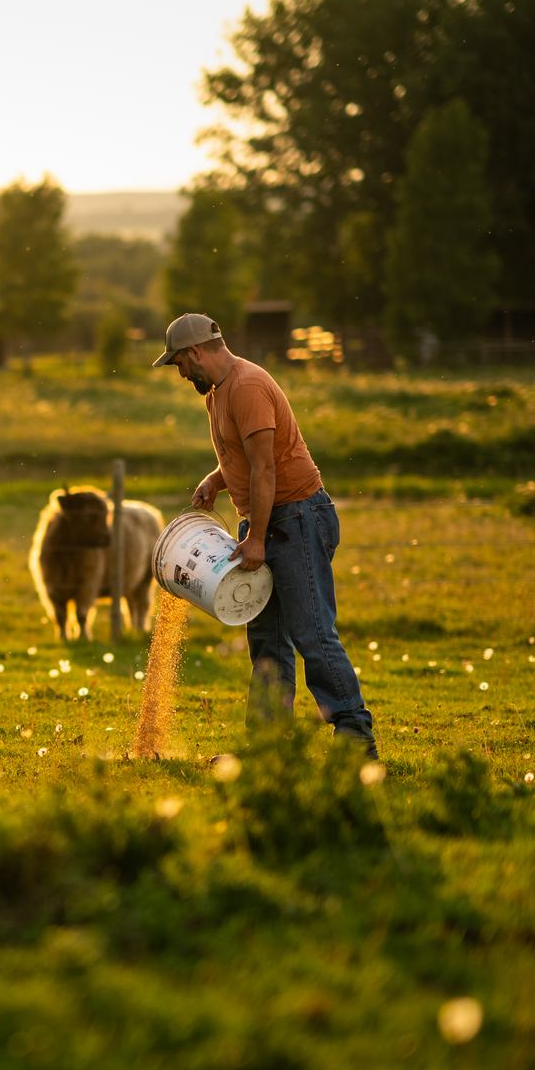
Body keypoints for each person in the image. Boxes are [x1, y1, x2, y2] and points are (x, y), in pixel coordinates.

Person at [153, 313, 378, 758]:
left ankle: (357, 744)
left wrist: (255, 537)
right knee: (268, 642)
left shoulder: (248, 386)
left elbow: (266, 467)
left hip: (295, 518)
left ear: (196, 352)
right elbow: (246, 456)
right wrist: (217, 480)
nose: (180, 373)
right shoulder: (218, 394)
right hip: (265, 518)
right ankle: (268, 751)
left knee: (312, 633)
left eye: (179, 363)